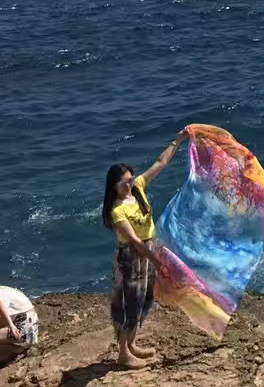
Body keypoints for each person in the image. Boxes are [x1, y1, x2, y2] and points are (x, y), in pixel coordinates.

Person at [103, 128, 189, 369]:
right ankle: (123, 353)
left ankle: (132, 344)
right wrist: (158, 259)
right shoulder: (117, 210)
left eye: (131, 180)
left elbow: (161, 162)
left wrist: (179, 139)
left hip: (148, 249)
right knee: (128, 303)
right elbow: (133, 241)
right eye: (124, 183)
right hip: (131, 256)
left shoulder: (138, 188)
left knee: (144, 300)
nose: (129, 185)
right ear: (113, 186)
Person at [0, 285, 37, 367]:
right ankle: (18, 349)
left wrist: (11, 325)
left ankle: (19, 350)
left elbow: (1, 305)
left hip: (25, 331)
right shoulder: (3, 290)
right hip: (30, 329)